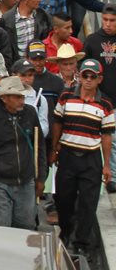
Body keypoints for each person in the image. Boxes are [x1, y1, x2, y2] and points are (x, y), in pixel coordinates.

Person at [50, 57, 114, 262]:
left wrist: (106, 165)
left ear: (99, 79)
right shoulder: (67, 95)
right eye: (84, 75)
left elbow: (106, 135)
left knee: (88, 204)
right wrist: (55, 147)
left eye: (91, 77)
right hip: (68, 155)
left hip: (91, 158)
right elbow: (58, 122)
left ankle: (83, 244)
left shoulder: (105, 104)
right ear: (80, 76)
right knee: (63, 200)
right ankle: (66, 233)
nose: (87, 80)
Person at [0, 75, 46, 229]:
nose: (22, 100)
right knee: (0, 229)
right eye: (17, 96)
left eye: (22, 96)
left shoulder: (30, 113)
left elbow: (40, 146)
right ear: (5, 98)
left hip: (26, 180)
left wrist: (41, 178)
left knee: (26, 227)